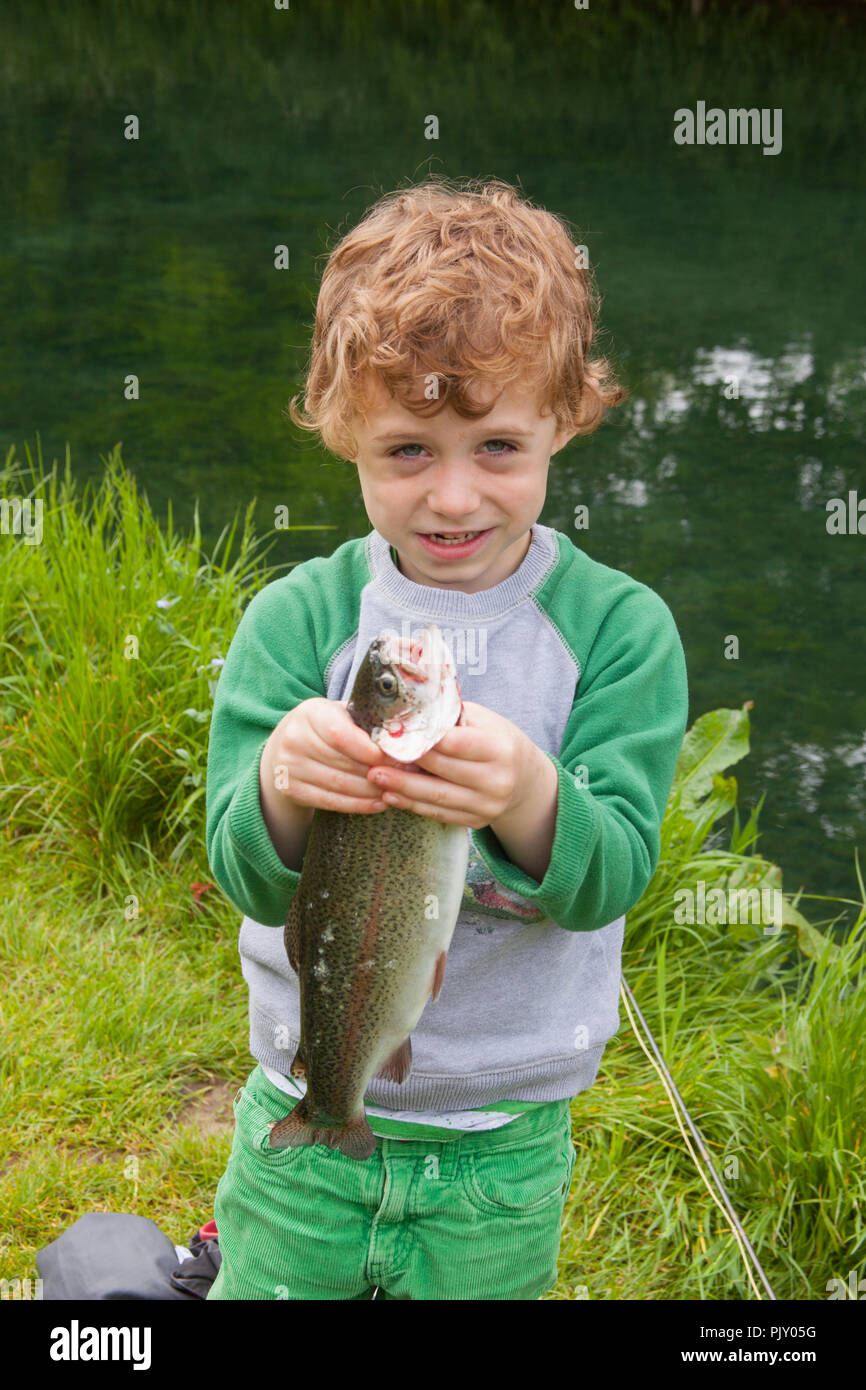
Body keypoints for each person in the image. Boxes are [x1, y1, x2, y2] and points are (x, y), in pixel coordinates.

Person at [204, 176, 689, 1300]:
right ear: (340, 431)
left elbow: (611, 869)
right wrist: (280, 780)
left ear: (567, 417)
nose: (453, 497)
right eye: (407, 451)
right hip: (300, 1093)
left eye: (499, 447)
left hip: (502, 1138)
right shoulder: (299, 621)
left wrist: (526, 791)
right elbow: (239, 865)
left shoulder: (618, 632)